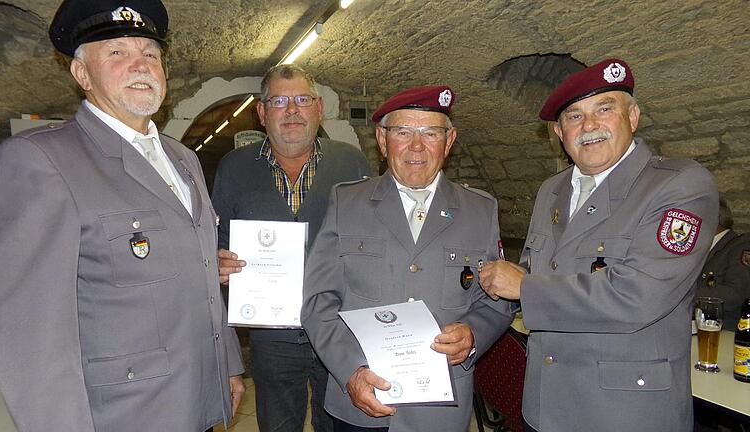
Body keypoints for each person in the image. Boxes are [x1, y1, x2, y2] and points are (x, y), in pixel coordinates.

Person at [0, 1, 244, 430]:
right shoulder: (41, 161)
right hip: (123, 414)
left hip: (196, 398)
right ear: (82, 75)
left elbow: (198, 277)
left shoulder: (182, 159)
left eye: (150, 54)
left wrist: (228, 365)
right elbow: (32, 334)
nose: (139, 65)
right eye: (117, 53)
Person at [479, 58, 718, 432]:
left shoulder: (678, 185)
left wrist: (523, 286)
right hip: (545, 405)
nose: (589, 126)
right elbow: (535, 271)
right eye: (574, 116)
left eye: (604, 109)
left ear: (633, 117)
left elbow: (637, 296)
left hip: (623, 412)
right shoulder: (551, 191)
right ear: (559, 132)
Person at [301, 85, 514, 432]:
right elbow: (317, 302)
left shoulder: (480, 210)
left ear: (449, 141)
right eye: (403, 132)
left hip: (440, 409)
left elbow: (497, 303)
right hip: (360, 402)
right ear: (382, 141)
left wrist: (473, 335)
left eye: (431, 133)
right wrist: (350, 371)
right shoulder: (347, 203)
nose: (417, 146)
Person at [213, 64, 371, 432]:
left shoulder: (352, 162)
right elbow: (216, 245)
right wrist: (219, 265)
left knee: (338, 422)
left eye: (302, 99)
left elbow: (371, 240)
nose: (292, 110)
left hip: (338, 330)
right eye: (280, 101)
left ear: (318, 108)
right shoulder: (234, 168)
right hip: (273, 337)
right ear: (263, 113)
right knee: (278, 425)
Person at [695, 196, 750, 330]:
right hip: (699, 329)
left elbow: (735, 294)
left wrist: (684, 295)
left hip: (725, 334)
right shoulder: (704, 249)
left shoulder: (741, 245)